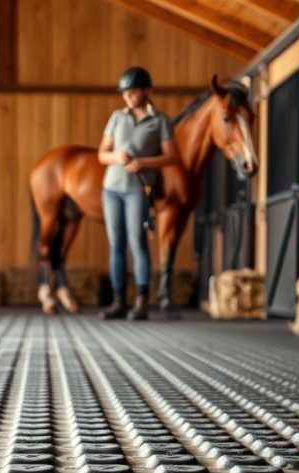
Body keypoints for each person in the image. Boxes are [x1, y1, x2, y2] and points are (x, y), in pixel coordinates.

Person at [97, 66, 178, 321]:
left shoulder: (161, 121)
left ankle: (141, 300)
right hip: (111, 188)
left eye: (132, 93)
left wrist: (143, 163)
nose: (128, 98)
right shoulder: (117, 118)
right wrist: (116, 157)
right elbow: (102, 155)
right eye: (125, 94)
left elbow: (171, 157)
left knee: (138, 243)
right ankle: (118, 300)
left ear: (147, 91)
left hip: (137, 190)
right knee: (116, 245)